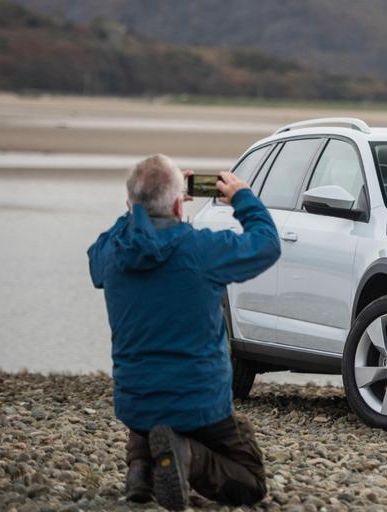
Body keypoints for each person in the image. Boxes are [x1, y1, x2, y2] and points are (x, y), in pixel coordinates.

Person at [87, 154, 280, 509]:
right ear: (180, 202)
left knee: (150, 391)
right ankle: (185, 454)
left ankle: (141, 468)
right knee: (251, 481)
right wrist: (243, 198)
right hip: (200, 404)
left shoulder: (111, 252)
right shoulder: (203, 250)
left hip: (137, 402)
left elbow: (98, 256)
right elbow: (267, 244)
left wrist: (138, 210)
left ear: (131, 204)